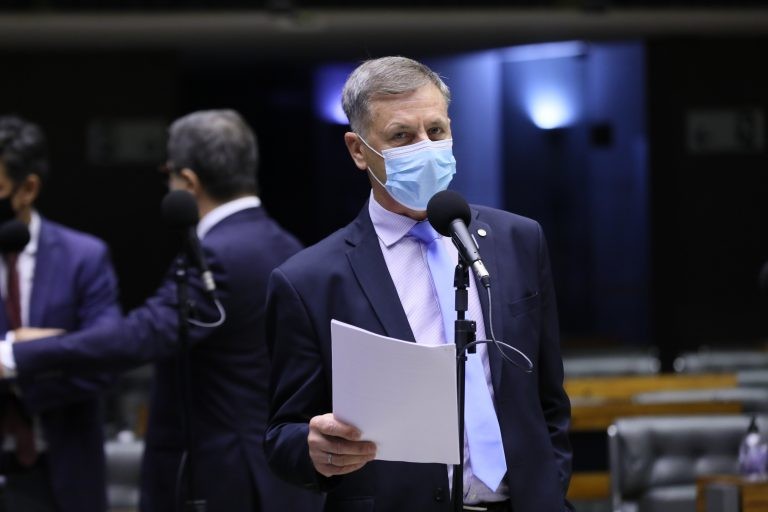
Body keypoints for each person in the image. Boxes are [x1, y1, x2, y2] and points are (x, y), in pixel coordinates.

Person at [264, 57, 573, 511]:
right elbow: (282, 436)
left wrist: (551, 488)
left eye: (436, 131)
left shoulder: (518, 241)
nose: (425, 147)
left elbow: (549, 398)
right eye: (402, 136)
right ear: (357, 150)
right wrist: (315, 449)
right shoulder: (308, 280)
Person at [3, 110, 322, 511]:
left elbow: (145, 333)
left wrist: (16, 353)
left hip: (225, 477)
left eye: (168, 174)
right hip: (273, 474)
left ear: (187, 182)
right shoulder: (286, 242)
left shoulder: (217, 255)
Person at [0, 115, 122, 512]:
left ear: (27, 188)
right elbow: (84, 352)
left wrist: (14, 363)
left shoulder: (83, 257)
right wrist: (63, 349)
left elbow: (106, 358)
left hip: (62, 472)